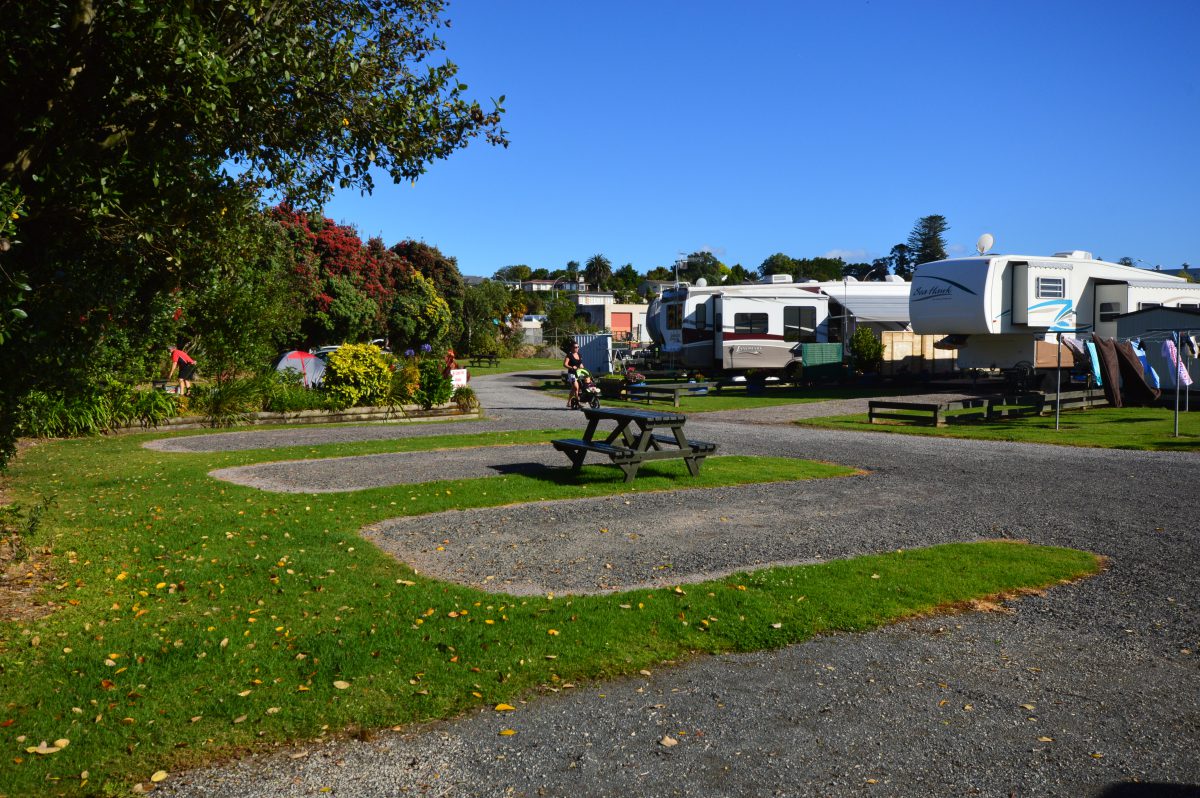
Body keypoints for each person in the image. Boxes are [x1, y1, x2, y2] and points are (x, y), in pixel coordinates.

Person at [563, 343, 583, 407]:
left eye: (577, 347)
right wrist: (571, 367)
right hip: (571, 374)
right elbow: (565, 364)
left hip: (578, 373)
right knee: (576, 387)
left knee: (574, 389)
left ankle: (569, 402)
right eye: (575, 347)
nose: (576, 348)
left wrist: (582, 367)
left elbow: (580, 364)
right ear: (572, 348)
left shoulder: (579, 355)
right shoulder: (569, 355)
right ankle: (578, 403)